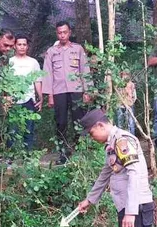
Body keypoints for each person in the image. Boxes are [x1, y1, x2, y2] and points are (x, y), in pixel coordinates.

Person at [78, 109, 155, 227]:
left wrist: (130, 213)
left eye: (91, 133)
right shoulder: (112, 145)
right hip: (130, 209)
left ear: (100, 125)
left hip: (135, 210)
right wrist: (90, 199)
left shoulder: (123, 141)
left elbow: (135, 174)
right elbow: (106, 173)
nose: (91, 137)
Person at [42, 21, 93, 164]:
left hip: (76, 90)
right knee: (61, 122)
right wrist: (50, 95)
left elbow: (85, 70)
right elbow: (47, 73)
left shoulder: (78, 49)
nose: (62, 35)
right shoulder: (51, 52)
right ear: (56, 34)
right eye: (59, 33)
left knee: (79, 121)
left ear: (69, 32)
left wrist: (87, 91)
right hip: (58, 92)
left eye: (65, 32)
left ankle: (79, 150)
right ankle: (63, 153)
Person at [7, 35, 43, 151]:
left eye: (24, 44)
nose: (22, 47)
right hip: (13, 100)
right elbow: (5, 81)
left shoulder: (33, 62)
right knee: (12, 130)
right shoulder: (9, 61)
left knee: (29, 129)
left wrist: (40, 98)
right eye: (19, 44)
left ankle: (28, 157)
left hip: (29, 99)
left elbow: (37, 80)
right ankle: (9, 158)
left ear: (27, 46)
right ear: (14, 46)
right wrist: (6, 98)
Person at [116, 71, 137, 135]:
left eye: (126, 75)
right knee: (120, 123)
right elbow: (116, 95)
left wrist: (131, 102)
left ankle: (132, 138)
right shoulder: (118, 85)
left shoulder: (131, 84)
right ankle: (121, 138)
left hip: (129, 105)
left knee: (131, 123)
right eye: (123, 75)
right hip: (120, 105)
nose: (125, 76)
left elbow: (134, 95)